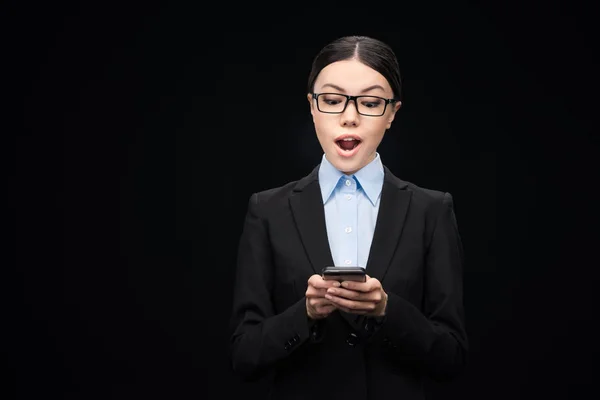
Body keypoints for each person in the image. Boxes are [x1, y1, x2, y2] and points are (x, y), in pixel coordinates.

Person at [228, 35, 468, 400]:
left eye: (370, 102)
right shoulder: (268, 210)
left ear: (392, 113)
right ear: (311, 107)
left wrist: (387, 309)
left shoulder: (431, 211)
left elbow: (451, 357)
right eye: (332, 100)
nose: (350, 117)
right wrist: (306, 312)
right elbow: (244, 355)